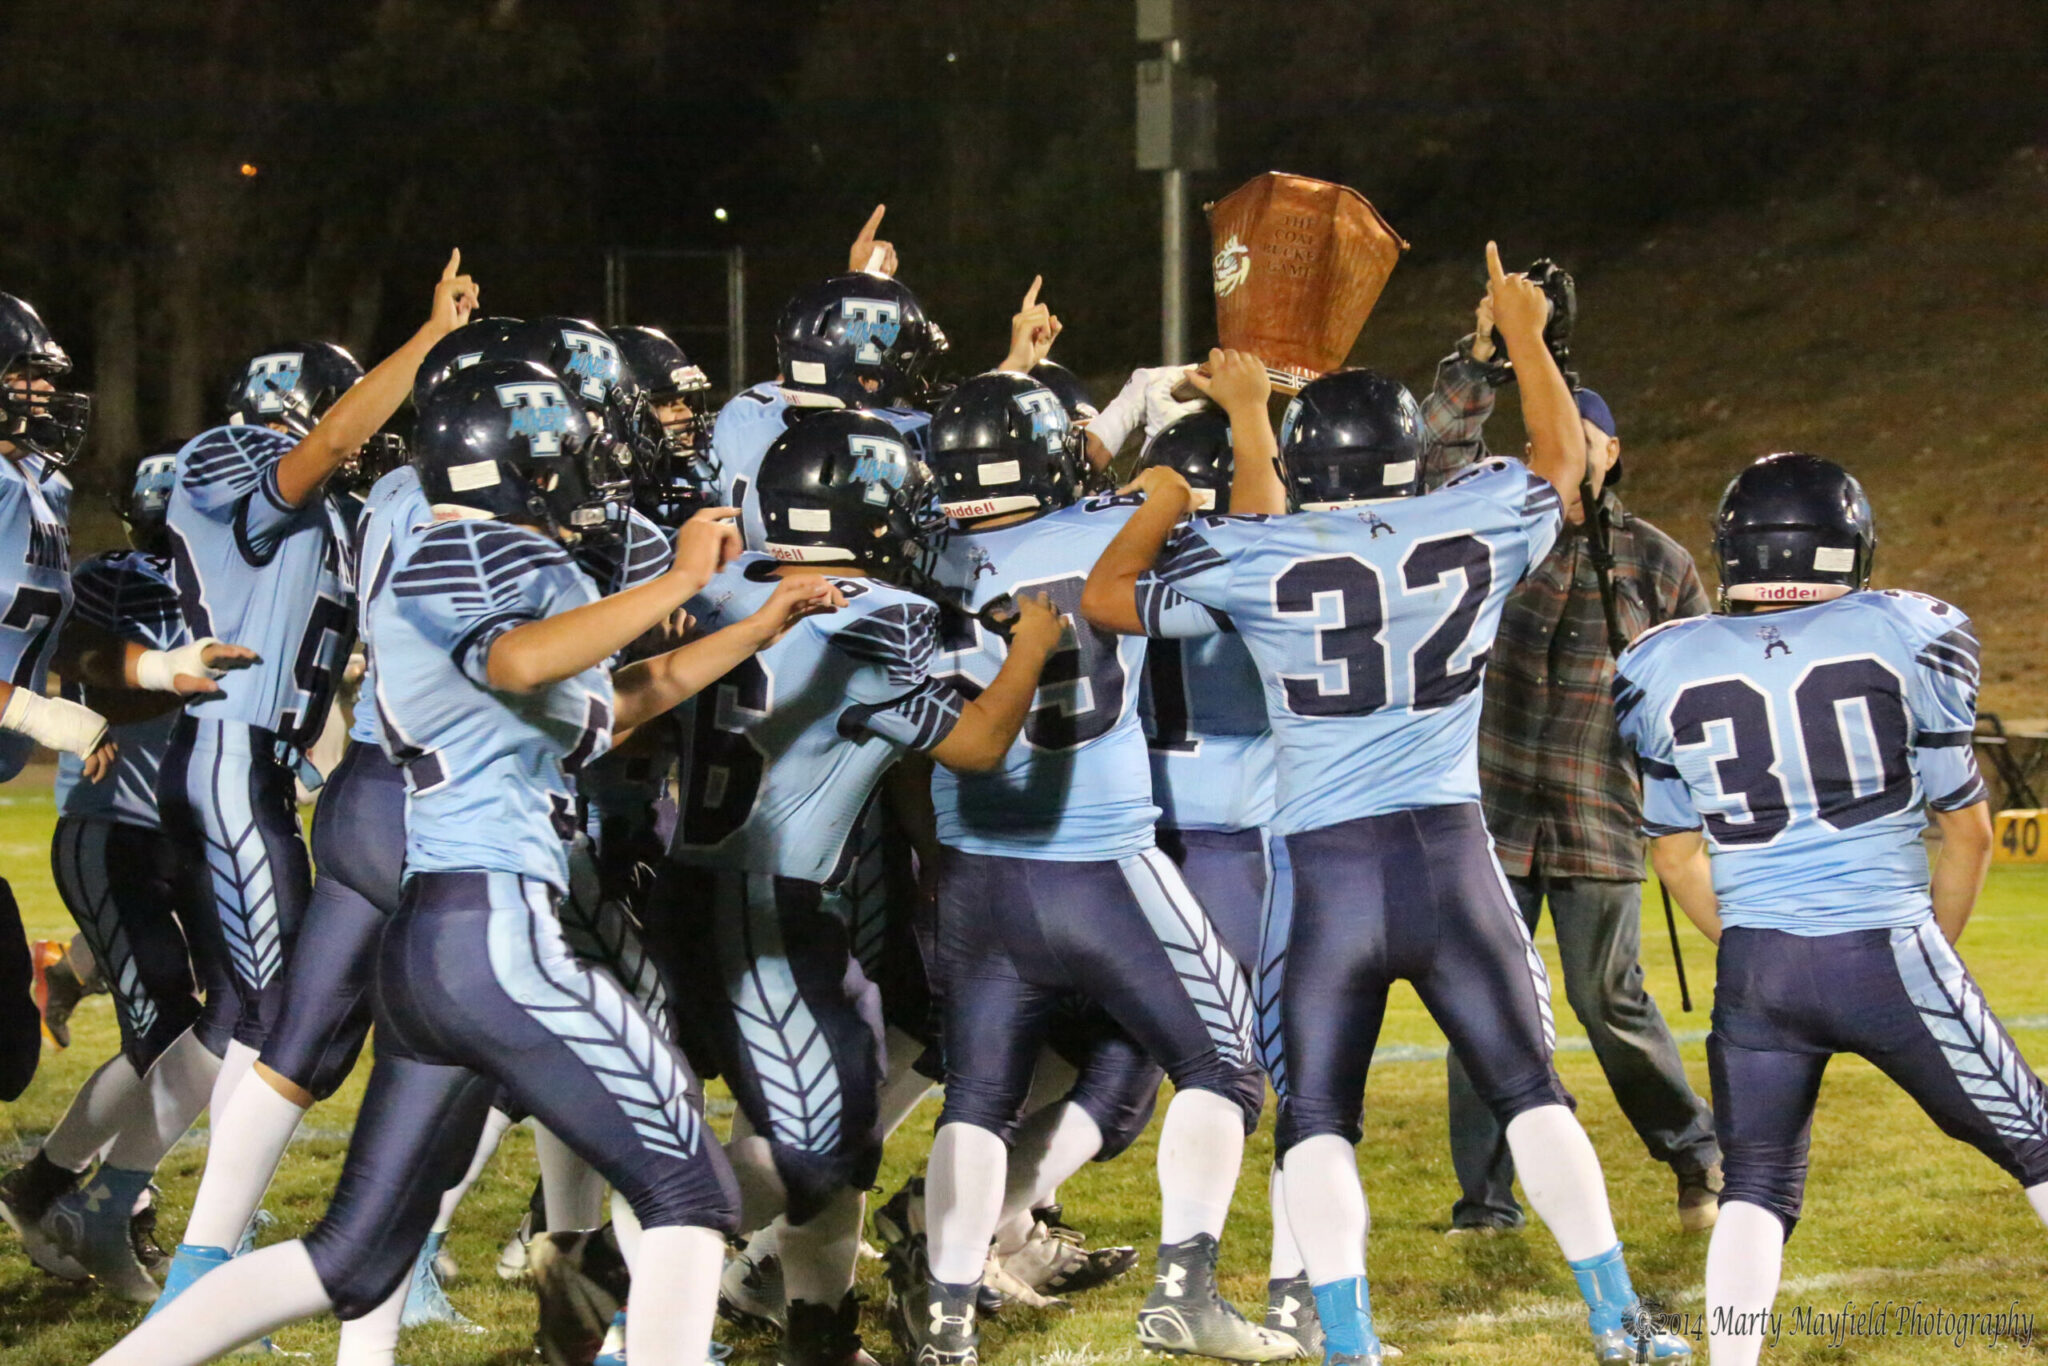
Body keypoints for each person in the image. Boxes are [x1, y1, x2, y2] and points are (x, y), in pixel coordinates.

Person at [92, 357, 834, 1366]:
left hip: (435, 948)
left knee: (348, 1254)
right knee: (690, 1193)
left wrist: (751, 625)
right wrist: (679, 581)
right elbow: (518, 660)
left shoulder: (473, 557)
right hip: (498, 931)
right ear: (517, 465)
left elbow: (605, 709)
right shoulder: (478, 559)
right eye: (565, 453)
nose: (587, 472)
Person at [1081, 244, 1693, 1366]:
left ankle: (1348, 1342)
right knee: (1530, 1089)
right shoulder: (1472, 518)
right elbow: (1561, 460)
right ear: (1414, 458)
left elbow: (1109, 595)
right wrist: (1522, 334)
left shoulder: (1255, 548)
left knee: (1315, 1116)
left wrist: (1176, 480)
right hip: (1452, 855)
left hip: (1321, 874)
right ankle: (1616, 1320)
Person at [645, 408, 1061, 1366]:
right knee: (827, 1139)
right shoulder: (877, 615)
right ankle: (629, 1256)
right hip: (769, 907)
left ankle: (818, 1332)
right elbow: (975, 743)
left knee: (831, 1116)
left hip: (683, 887)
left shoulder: (719, 585)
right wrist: (1031, 648)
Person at [1614, 452, 2048, 1366]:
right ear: (1845, 546)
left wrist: (1759, 947)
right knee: (2035, 1140)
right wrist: (1920, 954)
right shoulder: (1909, 633)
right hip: (1884, 947)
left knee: (1756, 1189)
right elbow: (1965, 833)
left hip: (1758, 968)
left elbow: (1677, 852)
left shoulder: (1660, 662)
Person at [903, 370, 1289, 1366]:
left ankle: (944, 1317)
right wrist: (1241, 420)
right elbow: (1260, 546)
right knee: (1223, 1062)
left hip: (975, 874)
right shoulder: (1103, 526)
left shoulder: (920, 555)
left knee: (976, 1099)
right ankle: (1184, 1291)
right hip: (1101, 863)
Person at [147, 256, 478, 1316]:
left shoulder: (356, 504)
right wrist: (426, 340)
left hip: (287, 772)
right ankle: (188, 1249)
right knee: (268, 1017)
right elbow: (329, 442)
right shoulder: (238, 464)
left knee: (292, 1019)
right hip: (229, 760)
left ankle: (209, 1258)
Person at [1426, 352, 1723, 1234]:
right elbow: (1439, 452)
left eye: (1581, 438)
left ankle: (1695, 1153)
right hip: (1493, 811)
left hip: (1600, 815)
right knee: (1482, 1000)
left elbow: (1698, 692)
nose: (1564, 449)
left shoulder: (1659, 565)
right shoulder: (1501, 535)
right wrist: (1477, 361)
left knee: (1609, 1000)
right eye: (1549, 437)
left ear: (1611, 449)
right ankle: (1485, 1198)